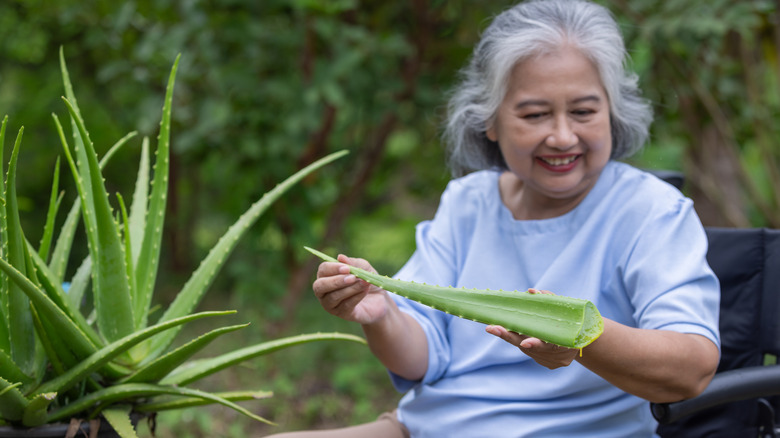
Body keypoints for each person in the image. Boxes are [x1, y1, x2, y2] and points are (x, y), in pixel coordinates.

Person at [267, 0, 721, 436]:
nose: (562, 136)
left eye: (584, 111)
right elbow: (421, 359)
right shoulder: (468, 202)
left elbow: (692, 367)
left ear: (612, 111)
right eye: (535, 114)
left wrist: (582, 338)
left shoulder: (651, 211)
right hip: (428, 427)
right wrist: (380, 314)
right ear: (490, 120)